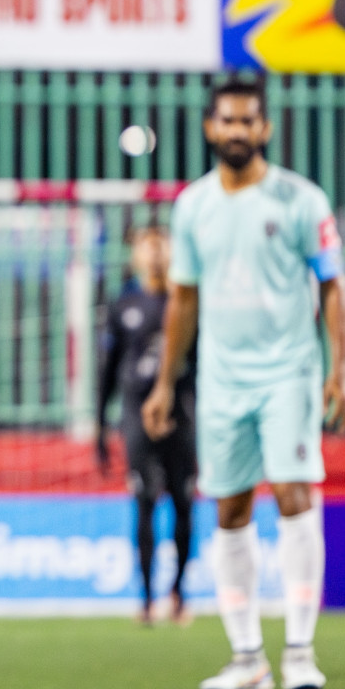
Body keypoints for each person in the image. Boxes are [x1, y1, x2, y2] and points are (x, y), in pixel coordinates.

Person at [143, 78, 345, 689]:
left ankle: (301, 652)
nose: (236, 131)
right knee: (229, 507)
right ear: (210, 127)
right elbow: (183, 299)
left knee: (292, 492)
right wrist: (163, 384)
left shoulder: (300, 200)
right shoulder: (193, 206)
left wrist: (339, 366)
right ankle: (248, 657)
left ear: (265, 129)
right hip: (222, 380)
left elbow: (332, 286)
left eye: (247, 121)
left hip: (289, 371)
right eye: (226, 121)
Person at [96, 227, 197, 625]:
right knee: (144, 500)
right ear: (135, 255)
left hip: (181, 414)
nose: (155, 253)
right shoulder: (124, 305)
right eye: (146, 245)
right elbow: (107, 370)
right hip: (136, 414)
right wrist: (99, 424)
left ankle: (179, 592)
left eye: (162, 244)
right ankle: (146, 597)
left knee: (184, 503)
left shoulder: (185, 301)